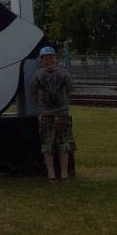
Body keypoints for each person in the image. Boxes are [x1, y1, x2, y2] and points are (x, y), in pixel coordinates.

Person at [32, 46, 76, 182]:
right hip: (46, 114)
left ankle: (64, 174)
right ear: (41, 60)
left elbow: (69, 90)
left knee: (64, 145)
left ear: (55, 59)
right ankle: (51, 174)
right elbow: (33, 92)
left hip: (61, 113)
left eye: (51, 58)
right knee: (48, 146)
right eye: (46, 59)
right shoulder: (38, 75)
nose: (49, 61)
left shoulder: (64, 74)